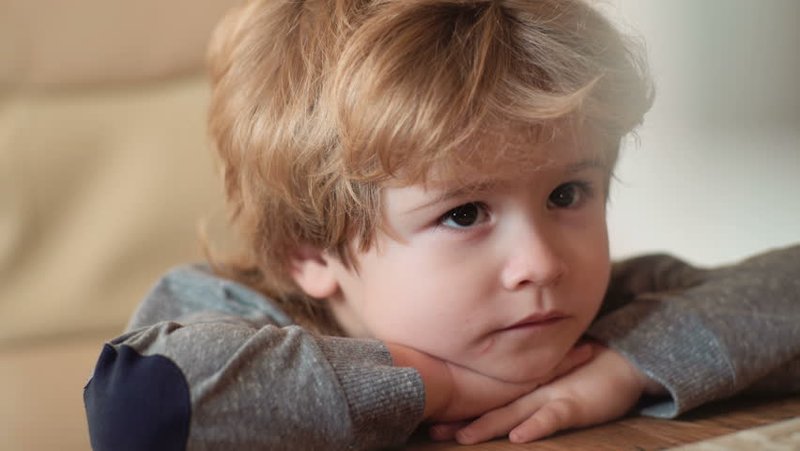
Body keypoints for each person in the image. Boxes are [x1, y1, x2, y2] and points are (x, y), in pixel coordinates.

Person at [83, 0, 800, 449]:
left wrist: (623, 368)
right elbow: (138, 408)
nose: (542, 263)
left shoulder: (596, 317)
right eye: (464, 213)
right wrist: (445, 388)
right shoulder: (223, 320)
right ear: (310, 251)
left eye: (567, 193)